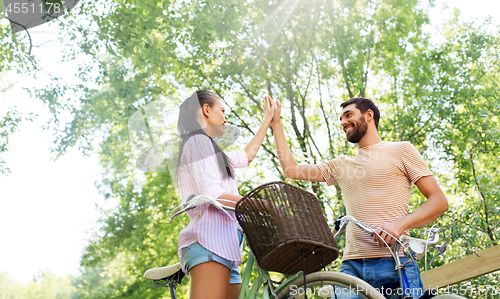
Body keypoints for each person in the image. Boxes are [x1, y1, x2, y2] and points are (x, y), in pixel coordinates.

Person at [270, 97, 449, 298]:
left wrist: (398, 226)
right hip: (351, 268)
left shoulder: (401, 150)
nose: (343, 122)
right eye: (340, 119)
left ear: (369, 115)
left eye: (348, 115)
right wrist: (276, 124)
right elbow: (291, 170)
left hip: (395, 261)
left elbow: (439, 201)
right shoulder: (339, 166)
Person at [175, 91, 275, 299]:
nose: (225, 118)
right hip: (209, 246)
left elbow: (247, 155)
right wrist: (262, 205)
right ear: (206, 110)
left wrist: (267, 121)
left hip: (224, 248)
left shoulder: (211, 149)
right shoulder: (197, 142)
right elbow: (214, 195)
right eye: (222, 111)